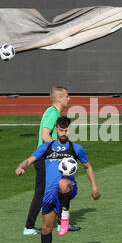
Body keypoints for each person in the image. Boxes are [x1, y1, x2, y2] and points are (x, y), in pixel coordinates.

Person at [15, 116, 100, 243]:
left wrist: (94, 187)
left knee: (62, 183)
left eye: (66, 130)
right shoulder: (46, 147)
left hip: (68, 188)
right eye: (61, 130)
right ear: (56, 130)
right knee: (46, 228)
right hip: (50, 194)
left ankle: (65, 214)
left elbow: (88, 167)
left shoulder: (76, 148)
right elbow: (29, 160)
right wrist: (22, 167)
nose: (63, 133)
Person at [23, 86, 81, 235]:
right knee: (41, 192)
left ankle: (62, 222)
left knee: (61, 189)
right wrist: (58, 152)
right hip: (45, 160)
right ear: (60, 98)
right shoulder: (52, 114)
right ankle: (29, 227)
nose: (69, 98)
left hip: (51, 160)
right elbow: (45, 136)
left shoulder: (54, 113)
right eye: (67, 96)